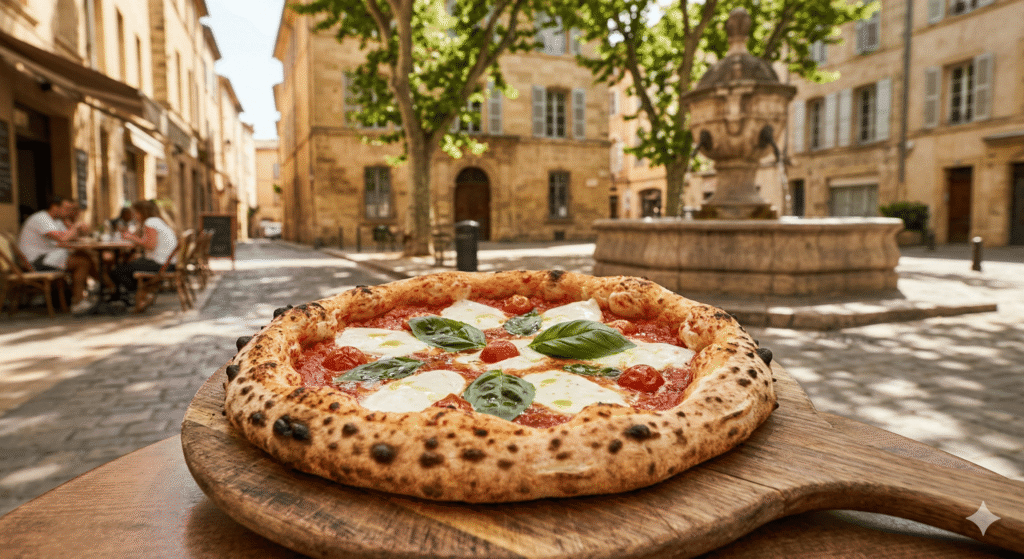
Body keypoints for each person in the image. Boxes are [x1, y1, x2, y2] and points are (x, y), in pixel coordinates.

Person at [17, 196, 97, 312]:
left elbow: (70, 237)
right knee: (82, 262)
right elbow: (63, 239)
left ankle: (105, 288)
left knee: (83, 255)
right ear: (55, 207)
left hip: (45, 257)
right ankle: (79, 302)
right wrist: (75, 226)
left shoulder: (55, 221)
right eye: (67, 209)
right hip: (34, 262)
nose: (69, 212)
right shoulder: (41, 219)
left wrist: (75, 226)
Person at [111, 200, 178, 303]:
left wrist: (131, 238)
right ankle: (139, 293)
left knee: (118, 271)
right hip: (169, 263)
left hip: (161, 264)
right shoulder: (156, 221)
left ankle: (138, 293)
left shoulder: (150, 222)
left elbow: (150, 245)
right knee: (128, 264)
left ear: (142, 212)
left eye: (136, 213)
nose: (134, 216)